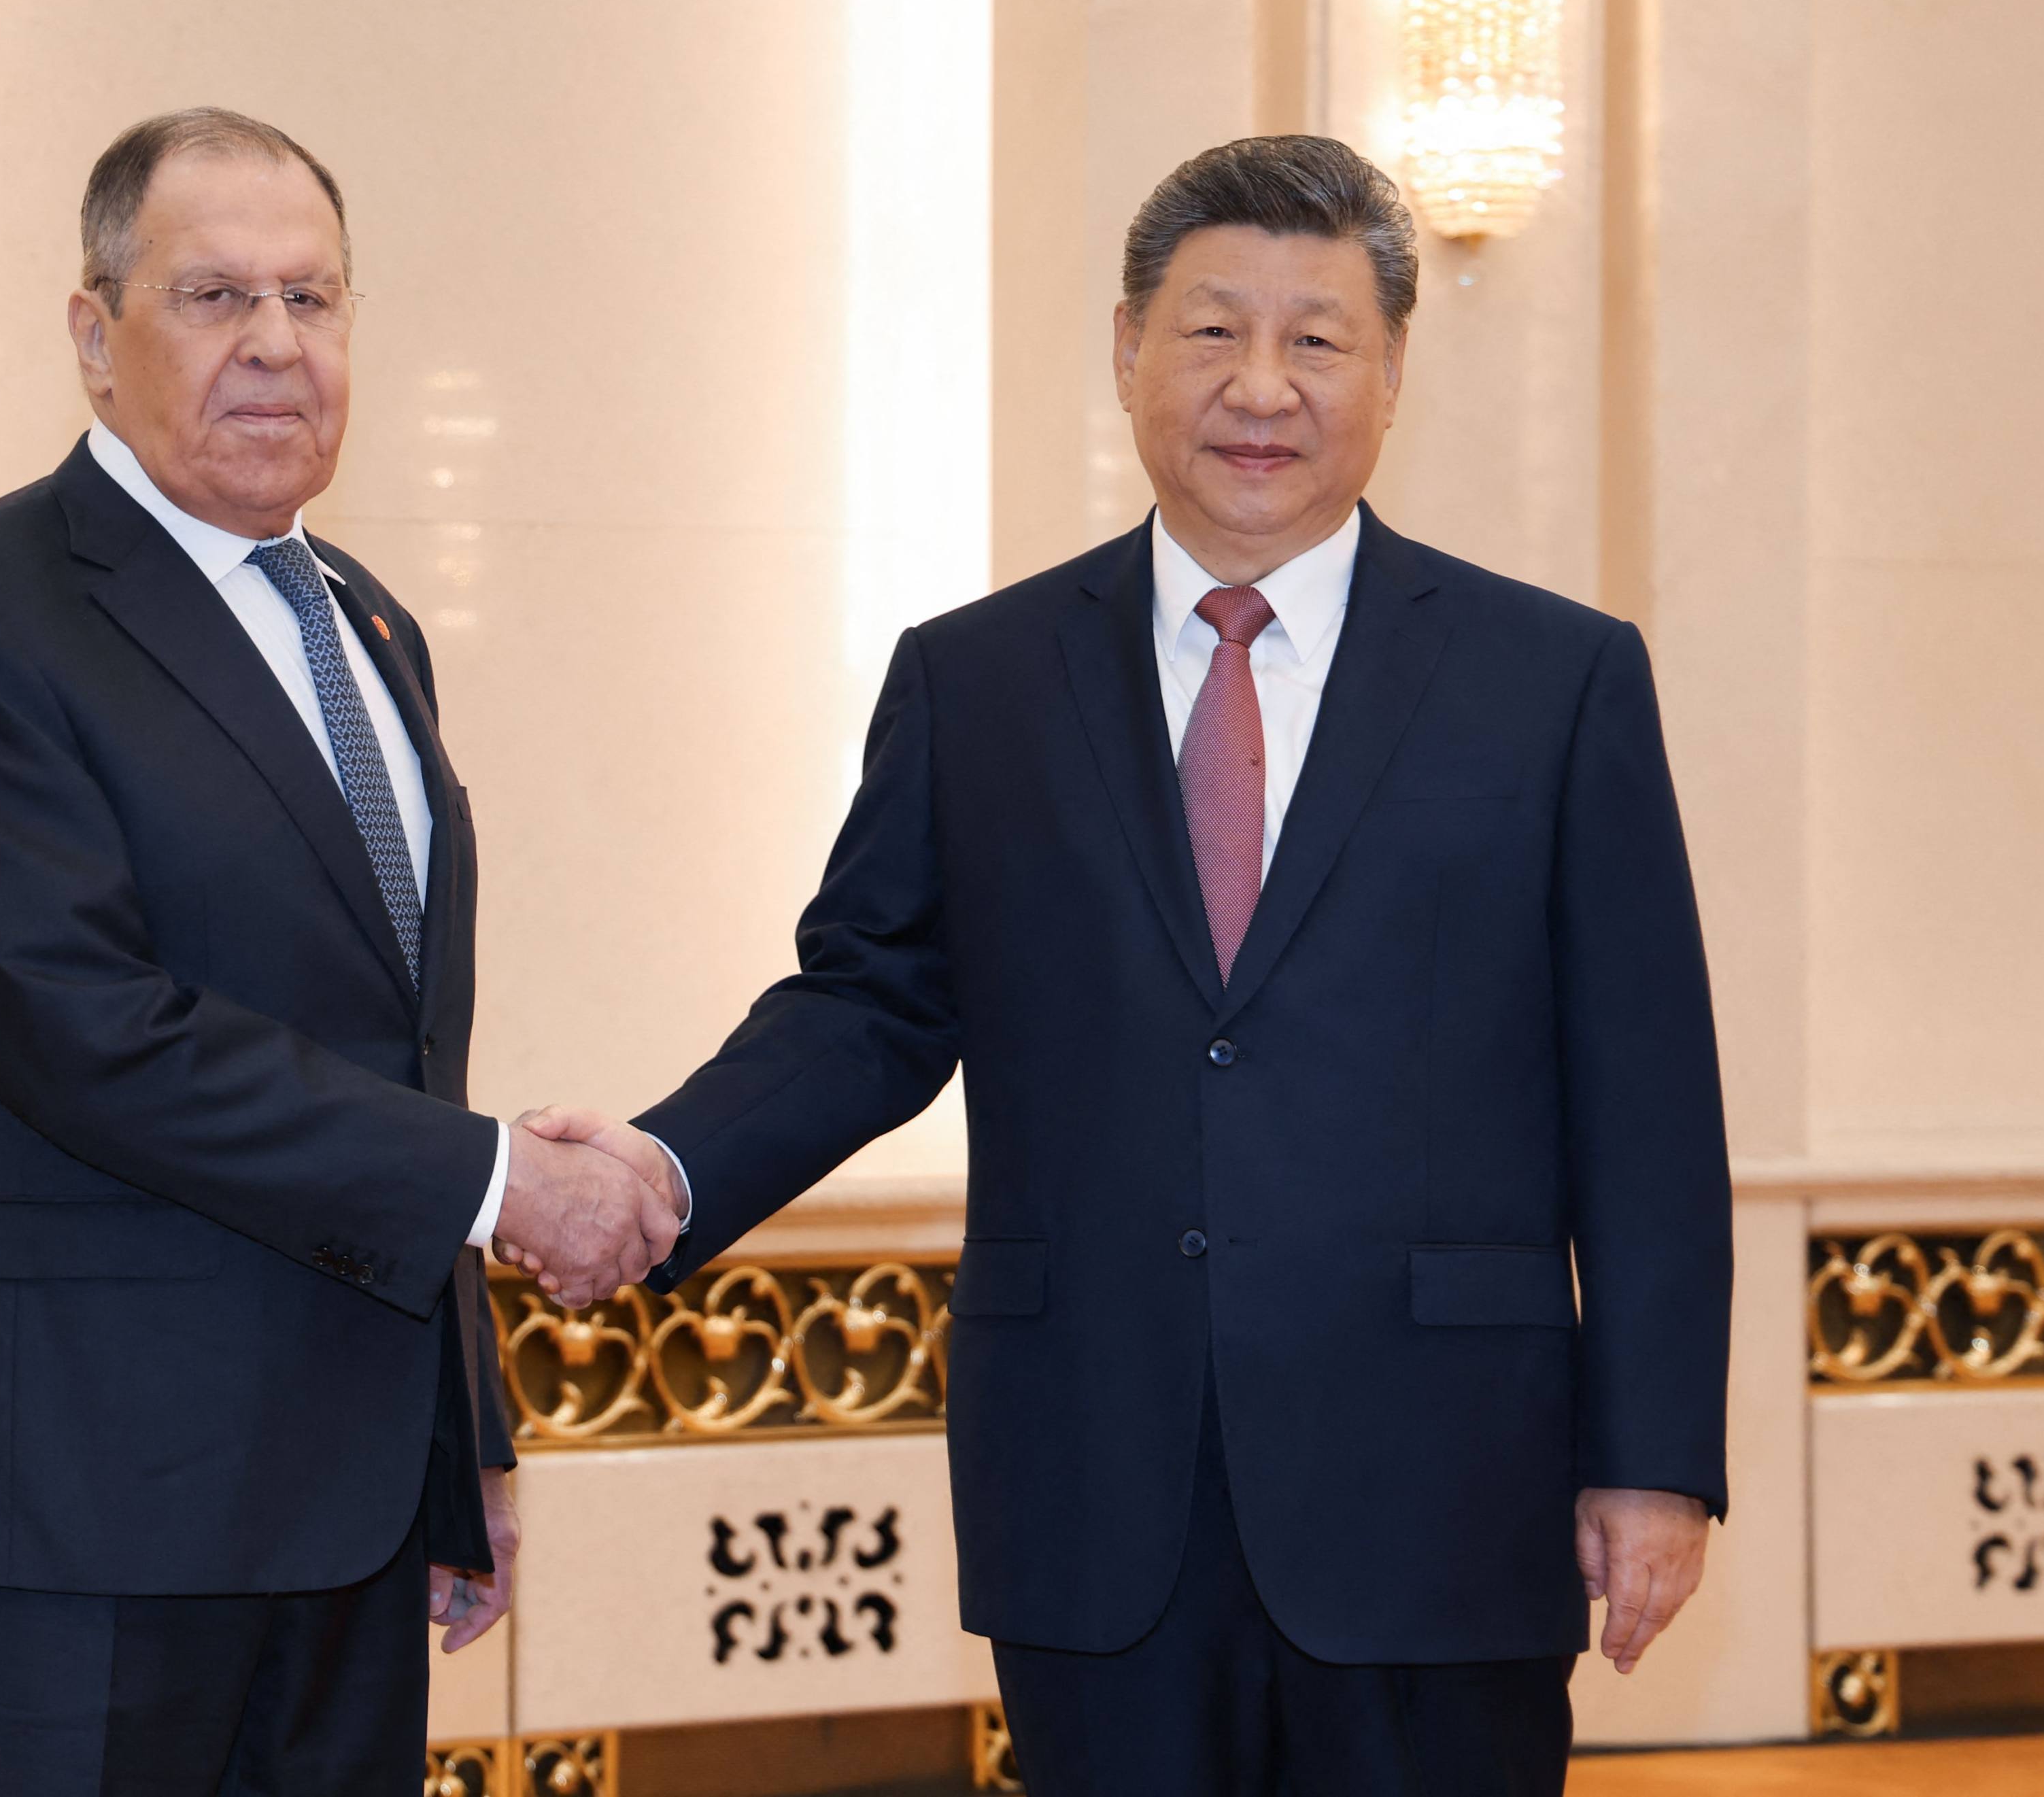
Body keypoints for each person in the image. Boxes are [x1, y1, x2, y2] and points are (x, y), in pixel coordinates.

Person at [509, 135, 1733, 1796]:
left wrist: (1653, 1462)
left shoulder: (1554, 680)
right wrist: (661, 1165)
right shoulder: (978, 682)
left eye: (1316, 340)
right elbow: (867, 1002)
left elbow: (1645, 1099)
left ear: (1390, 374)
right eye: (1210, 329)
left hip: (1439, 1486)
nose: (1260, 385)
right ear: (1123, 352)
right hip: (1095, 1478)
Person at [0, 107, 677, 1796]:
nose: (276, 344)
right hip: (61, 1505)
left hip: (334, 1508)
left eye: (314, 299)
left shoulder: (366, 622)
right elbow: (83, 1027)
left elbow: (398, 1055)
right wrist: (503, 1187)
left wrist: (455, 1434)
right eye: (212, 298)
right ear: (91, 335)